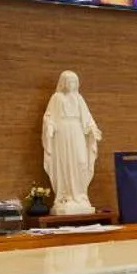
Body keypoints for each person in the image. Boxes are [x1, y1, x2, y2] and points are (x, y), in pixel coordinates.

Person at [41, 70, 102, 215]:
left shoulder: (79, 98)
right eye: (69, 81)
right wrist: (49, 126)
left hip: (77, 132)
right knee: (66, 163)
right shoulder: (56, 98)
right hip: (62, 133)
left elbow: (87, 118)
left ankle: (80, 195)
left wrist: (92, 129)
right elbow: (49, 117)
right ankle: (66, 195)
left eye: (74, 82)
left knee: (81, 161)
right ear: (63, 83)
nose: (72, 84)